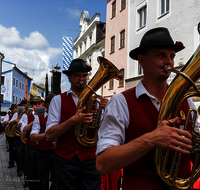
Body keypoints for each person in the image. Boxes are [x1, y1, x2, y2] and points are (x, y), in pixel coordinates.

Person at [96, 27, 199, 190]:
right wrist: (151, 139)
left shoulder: (187, 102)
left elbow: (195, 152)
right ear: (142, 60)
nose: (169, 62)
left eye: (172, 56)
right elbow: (103, 164)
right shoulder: (120, 102)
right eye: (160, 55)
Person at [45, 58, 108, 190]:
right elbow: (50, 134)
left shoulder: (96, 101)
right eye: (77, 76)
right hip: (65, 160)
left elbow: (105, 131)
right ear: (69, 77)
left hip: (90, 160)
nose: (82, 79)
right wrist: (73, 120)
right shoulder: (58, 100)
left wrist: (108, 111)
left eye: (84, 76)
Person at [30, 94, 56, 190]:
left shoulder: (61, 118)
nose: (54, 106)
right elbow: (33, 137)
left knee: (56, 181)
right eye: (51, 103)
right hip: (43, 154)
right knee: (43, 181)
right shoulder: (39, 118)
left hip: (58, 153)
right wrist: (47, 134)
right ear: (46, 105)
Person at [20, 96, 43, 190]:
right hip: (31, 146)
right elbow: (23, 130)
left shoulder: (46, 115)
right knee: (32, 169)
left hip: (43, 147)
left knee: (41, 171)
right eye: (35, 104)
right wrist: (34, 122)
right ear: (32, 106)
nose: (38, 106)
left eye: (39, 104)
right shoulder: (26, 116)